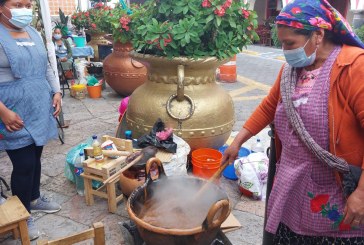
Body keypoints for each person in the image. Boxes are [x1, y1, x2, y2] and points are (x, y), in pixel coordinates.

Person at [222, 0, 364, 243]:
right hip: (291, 183)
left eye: (290, 44)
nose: (286, 51)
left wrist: (361, 194)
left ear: (318, 34)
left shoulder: (355, 66)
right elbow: (268, 106)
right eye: (283, 44)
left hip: (335, 190)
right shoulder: (291, 69)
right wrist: (237, 141)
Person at [0, 0, 62, 240]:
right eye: (18, 3)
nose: (25, 8)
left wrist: (56, 91)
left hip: (38, 103)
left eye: (28, 3)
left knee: (36, 154)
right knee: (24, 163)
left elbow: (47, 65)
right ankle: (22, 215)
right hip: (10, 108)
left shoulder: (34, 31)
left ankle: (34, 197)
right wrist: (3, 112)